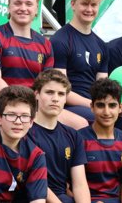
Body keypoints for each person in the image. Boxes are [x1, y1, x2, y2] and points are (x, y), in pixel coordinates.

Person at [0, 0, 87, 130]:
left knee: (81, 124)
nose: (23, 8)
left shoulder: (45, 44)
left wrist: (34, 106)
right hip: (6, 106)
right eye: (17, 3)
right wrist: (22, 106)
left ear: (36, 9)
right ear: (9, 7)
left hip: (37, 107)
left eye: (29, 4)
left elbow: (48, 84)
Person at [53, 0, 122, 134]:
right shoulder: (60, 40)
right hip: (72, 106)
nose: (89, 9)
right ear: (73, 4)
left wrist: (114, 102)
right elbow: (61, 91)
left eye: (94, 5)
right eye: (85, 4)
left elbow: (102, 86)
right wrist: (96, 104)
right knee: (90, 125)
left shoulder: (101, 45)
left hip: (97, 104)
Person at [28, 70, 90, 203]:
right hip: (32, 196)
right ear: (36, 94)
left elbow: (80, 184)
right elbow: (34, 181)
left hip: (62, 197)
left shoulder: (73, 135)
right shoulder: (24, 131)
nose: (55, 98)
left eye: (61, 94)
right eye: (49, 92)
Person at [78, 78, 122, 203]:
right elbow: (68, 187)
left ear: (120, 108)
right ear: (92, 107)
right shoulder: (78, 139)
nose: (106, 112)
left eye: (112, 105)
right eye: (100, 105)